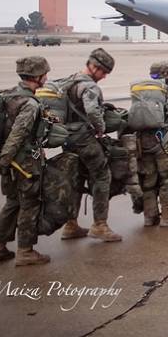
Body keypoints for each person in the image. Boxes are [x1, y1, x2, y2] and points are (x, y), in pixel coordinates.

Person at [0, 55, 52, 266]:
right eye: (45, 74)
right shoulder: (29, 104)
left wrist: (3, 161)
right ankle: (25, 251)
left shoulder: (9, 95)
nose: (47, 77)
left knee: (12, 203)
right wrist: (7, 160)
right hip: (23, 162)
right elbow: (19, 132)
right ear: (38, 76)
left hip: (8, 160)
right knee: (30, 204)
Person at [60, 47, 123, 242]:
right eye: (103, 72)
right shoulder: (89, 87)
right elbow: (93, 111)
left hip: (67, 138)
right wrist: (101, 128)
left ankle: (70, 225)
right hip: (84, 139)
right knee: (102, 176)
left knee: (76, 179)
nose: (103, 77)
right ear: (93, 67)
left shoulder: (68, 82)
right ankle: (100, 225)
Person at [134, 60, 168, 227]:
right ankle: (167, 216)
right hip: (163, 143)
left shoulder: (140, 91)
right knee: (167, 178)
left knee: (148, 181)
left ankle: (150, 217)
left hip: (142, 143)